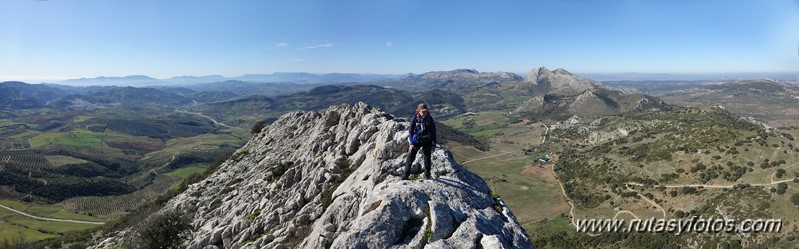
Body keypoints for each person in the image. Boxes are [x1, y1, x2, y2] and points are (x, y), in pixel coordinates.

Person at [402, 103, 438, 180]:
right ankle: (405, 176)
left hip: (427, 141)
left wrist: (433, 144)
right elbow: (410, 131)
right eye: (422, 111)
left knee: (427, 158)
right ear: (418, 111)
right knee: (410, 157)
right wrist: (411, 143)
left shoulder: (429, 119)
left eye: (425, 111)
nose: (424, 113)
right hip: (416, 141)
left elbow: (433, 132)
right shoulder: (414, 118)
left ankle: (427, 175)